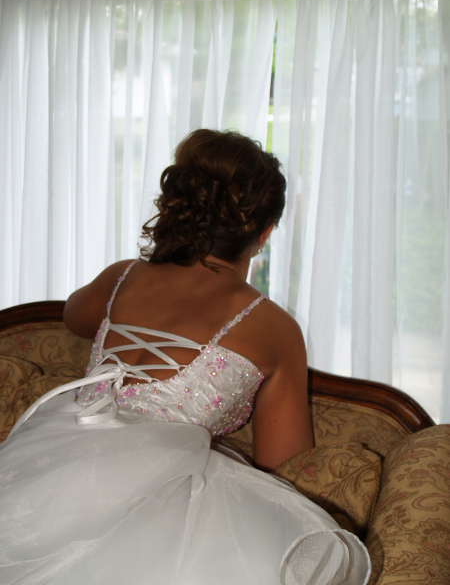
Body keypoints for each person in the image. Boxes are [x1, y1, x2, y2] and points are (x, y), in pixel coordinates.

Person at [0, 130, 370, 584]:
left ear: (180, 206)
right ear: (265, 233)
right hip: (161, 501)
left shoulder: (123, 277)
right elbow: (284, 459)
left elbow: (74, 316)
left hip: (50, 466)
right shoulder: (273, 328)